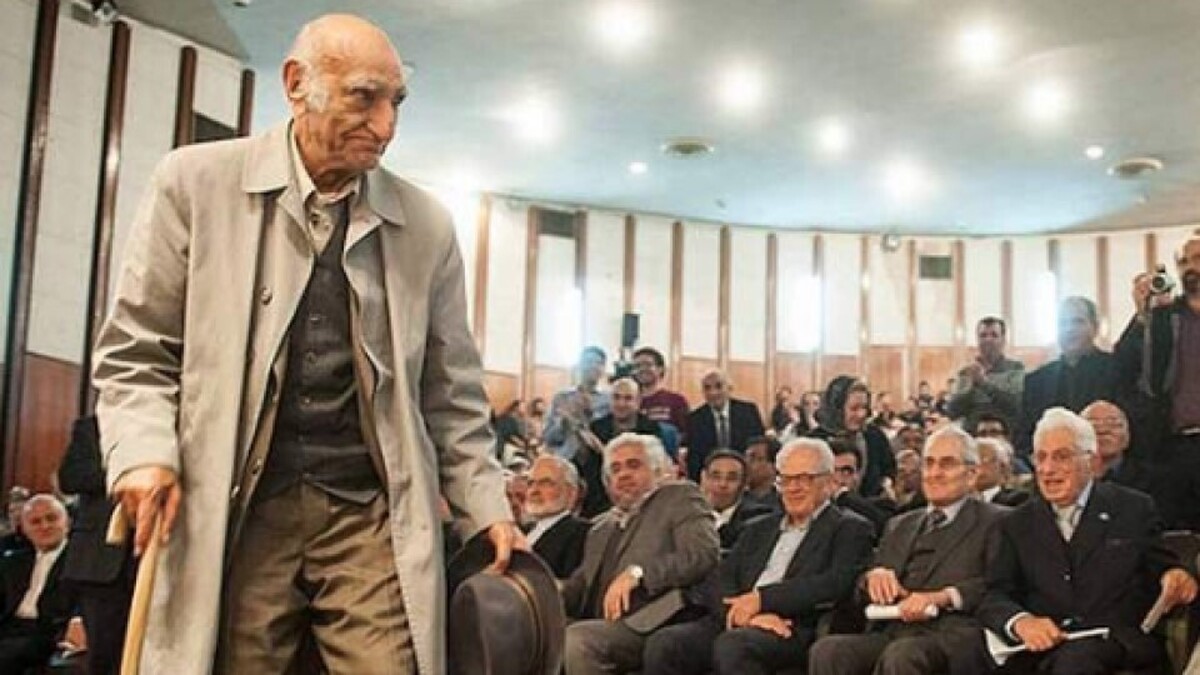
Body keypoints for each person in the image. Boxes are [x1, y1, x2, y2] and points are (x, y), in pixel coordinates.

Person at [91, 14, 521, 675]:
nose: (386, 126)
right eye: (364, 97)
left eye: (396, 102)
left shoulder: (428, 227)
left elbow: (453, 395)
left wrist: (486, 506)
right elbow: (137, 350)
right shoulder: (193, 183)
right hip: (238, 509)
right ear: (297, 84)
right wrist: (144, 454)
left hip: (367, 514)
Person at [979, 408, 1198, 675]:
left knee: (1074, 663)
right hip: (1042, 650)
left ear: (1092, 462)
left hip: (1116, 645)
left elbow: (1162, 566)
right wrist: (1021, 622)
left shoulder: (1133, 508)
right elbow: (995, 595)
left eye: (1061, 456)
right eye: (1040, 457)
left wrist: (1174, 574)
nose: (1047, 469)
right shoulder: (1016, 522)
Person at [642, 438, 874, 675]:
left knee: (734, 646)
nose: (793, 488)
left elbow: (834, 583)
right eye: (785, 480)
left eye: (804, 479)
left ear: (829, 480)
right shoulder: (758, 527)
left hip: (793, 625)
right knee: (666, 644)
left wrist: (762, 600)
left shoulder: (850, 528)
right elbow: (720, 577)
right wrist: (744, 615)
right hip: (740, 619)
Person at [809, 426, 1006, 675]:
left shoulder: (998, 521)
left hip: (952, 635)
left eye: (947, 464)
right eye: (929, 463)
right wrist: (872, 579)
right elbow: (861, 588)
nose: (935, 473)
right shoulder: (899, 524)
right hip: (893, 628)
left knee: (903, 655)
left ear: (972, 474)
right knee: (829, 650)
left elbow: (1000, 583)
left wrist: (942, 597)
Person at [561, 433, 719, 675]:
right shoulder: (600, 526)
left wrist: (639, 573)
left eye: (633, 465)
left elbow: (702, 554)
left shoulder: (680, 497)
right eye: (615, 469)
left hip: (655, 622)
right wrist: (542, 596)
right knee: (529, 629)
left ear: (658, 471)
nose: (623, 474)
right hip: (600, 622)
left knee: (578, 640)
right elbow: (582, 581)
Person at [1116, 235, 1200, 529]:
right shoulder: (1164, 314)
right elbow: (1124, 367)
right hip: (1173, 448)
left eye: (1198, 259)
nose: (1190, 268)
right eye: (1184, 262)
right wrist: (1142, 315)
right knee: (1176, 533)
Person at [57, 415, 133, 675]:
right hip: (99, 562)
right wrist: (127, 472)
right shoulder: (91, 427)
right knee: (104, 656)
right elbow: (70, 477)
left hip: (156, 554)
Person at [1016, 296, 1119, 458]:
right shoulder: (1037, 380)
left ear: (1095, 327)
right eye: (1063, 323)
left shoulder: (1116, 369)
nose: (1069, 329)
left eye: (1078, 322)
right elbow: (1025, 437)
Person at [0, 495, 75, 673]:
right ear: (24, 529)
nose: (44, 526)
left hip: (48, 630)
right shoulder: (13, 562)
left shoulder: (78, 560)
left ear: (67, 523)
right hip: (10, 627)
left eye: (51, 518)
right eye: (35, 522)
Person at [579, 377, 663, 518]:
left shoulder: (650, 428)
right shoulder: (597, 427)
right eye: (616, 397)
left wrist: (603, 450)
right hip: (600, 500)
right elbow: (591, 472)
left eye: (628, 398)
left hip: (642, 501)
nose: (621, 404)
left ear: (638, 402)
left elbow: (653, 470)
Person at [808, 376, 896, 498]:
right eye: (854, 409)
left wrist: (887, 483)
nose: (861, 414)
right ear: (837, 409)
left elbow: (889, 470)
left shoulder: (875, 436)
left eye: (864, 407)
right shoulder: (813, 442)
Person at [685, 370, 766, 480]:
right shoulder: (695, 418)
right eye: (707, 388)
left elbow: (759, 447)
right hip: (712, 477)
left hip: (745, 474)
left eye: (719, 386)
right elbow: (694, 458)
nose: (713, 393)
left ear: (729, 388)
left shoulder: (748, 412)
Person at [946, 316, 1025, 427]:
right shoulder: (965, 372)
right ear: (977, 340)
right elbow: (952, 411)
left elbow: (1016, 406)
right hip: (973, 433)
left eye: (994, 335)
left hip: (1005, 433)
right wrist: (972, 387)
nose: (988, 340)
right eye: (983, 335)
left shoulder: (1015, 368)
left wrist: (983, 384)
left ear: (1003, 340)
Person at [524, 456, 590, 579]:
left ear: (571, 493)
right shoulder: (521, 531)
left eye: (545, 483)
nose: (534, 490)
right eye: (530, 483)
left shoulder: (583, 533)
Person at [544, 346, 612, 460]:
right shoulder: (562, 398)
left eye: (598, 363)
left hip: (597, 458)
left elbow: (609, 434)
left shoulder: (609, 399)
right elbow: (548, 438)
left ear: (603, 369)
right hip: (565, 459)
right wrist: (563, 422)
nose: (593, 366)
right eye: (588, 362)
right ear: (580, 365)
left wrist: (589, 414)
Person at [700, 450, 775, 552]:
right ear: (703, 478)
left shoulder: (759, 518)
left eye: (732, 478)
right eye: (715, 477)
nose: (723, 484)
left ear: (744, 484)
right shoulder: (687, 517)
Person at [1081, 400, 1154, 495]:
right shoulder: (1065, 477)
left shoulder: (1156, 480)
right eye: (1093, 425)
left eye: (1113, 424)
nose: (1103, 430)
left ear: (1127, 437)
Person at [633, 347, 690, 444]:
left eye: (648, 364)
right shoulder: (629, 401)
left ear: (660, 369)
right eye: (637, 366)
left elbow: (685, 433)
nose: (642, 369)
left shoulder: (677, 401)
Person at [973, 437, 1029, 507]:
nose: (973, 467)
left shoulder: (1019, 499)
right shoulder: (961, 500)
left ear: (1002, 467)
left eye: (982, 460)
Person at [741, 436, 782, 511]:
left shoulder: (785, 503)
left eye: (753, 458)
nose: (745, 463)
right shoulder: (733, 501)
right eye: (745, 457)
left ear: (773, 465)